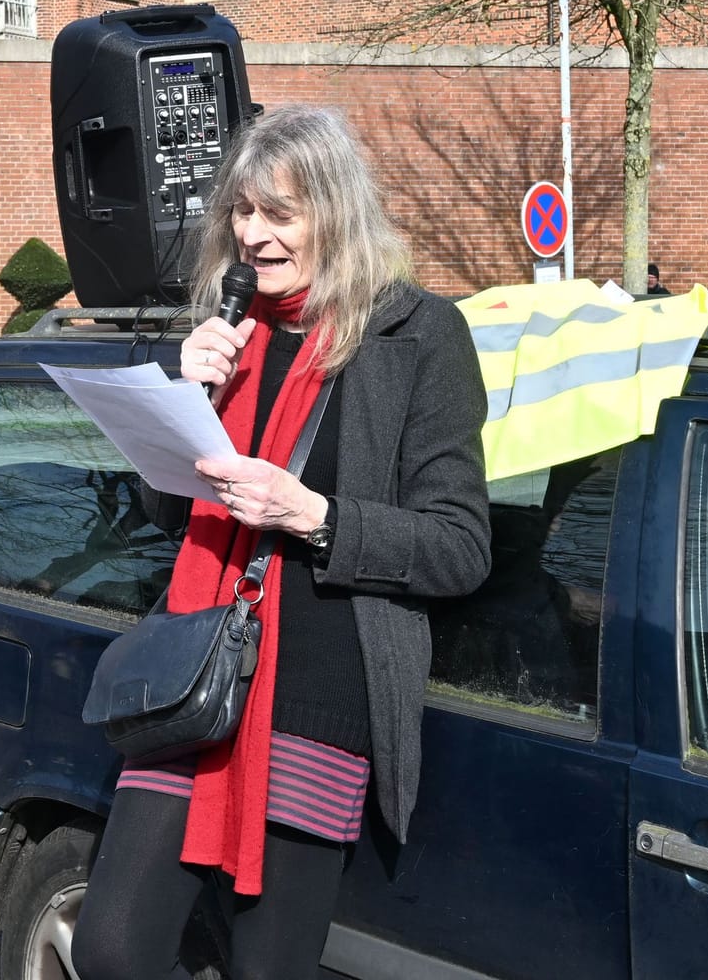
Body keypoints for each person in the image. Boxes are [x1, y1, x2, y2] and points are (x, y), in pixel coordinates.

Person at [72, 106, 492, 979]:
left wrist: (313, 513)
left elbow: (459, 547)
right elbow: (165, 508)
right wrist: (184, 397)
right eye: (241, 212)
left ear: (335, 214)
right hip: (195, 677)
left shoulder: (418, 337)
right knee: (112, 948)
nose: (252, 237)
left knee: (268, 967)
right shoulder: (226, 331)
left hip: (321, 690)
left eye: (279, 214)